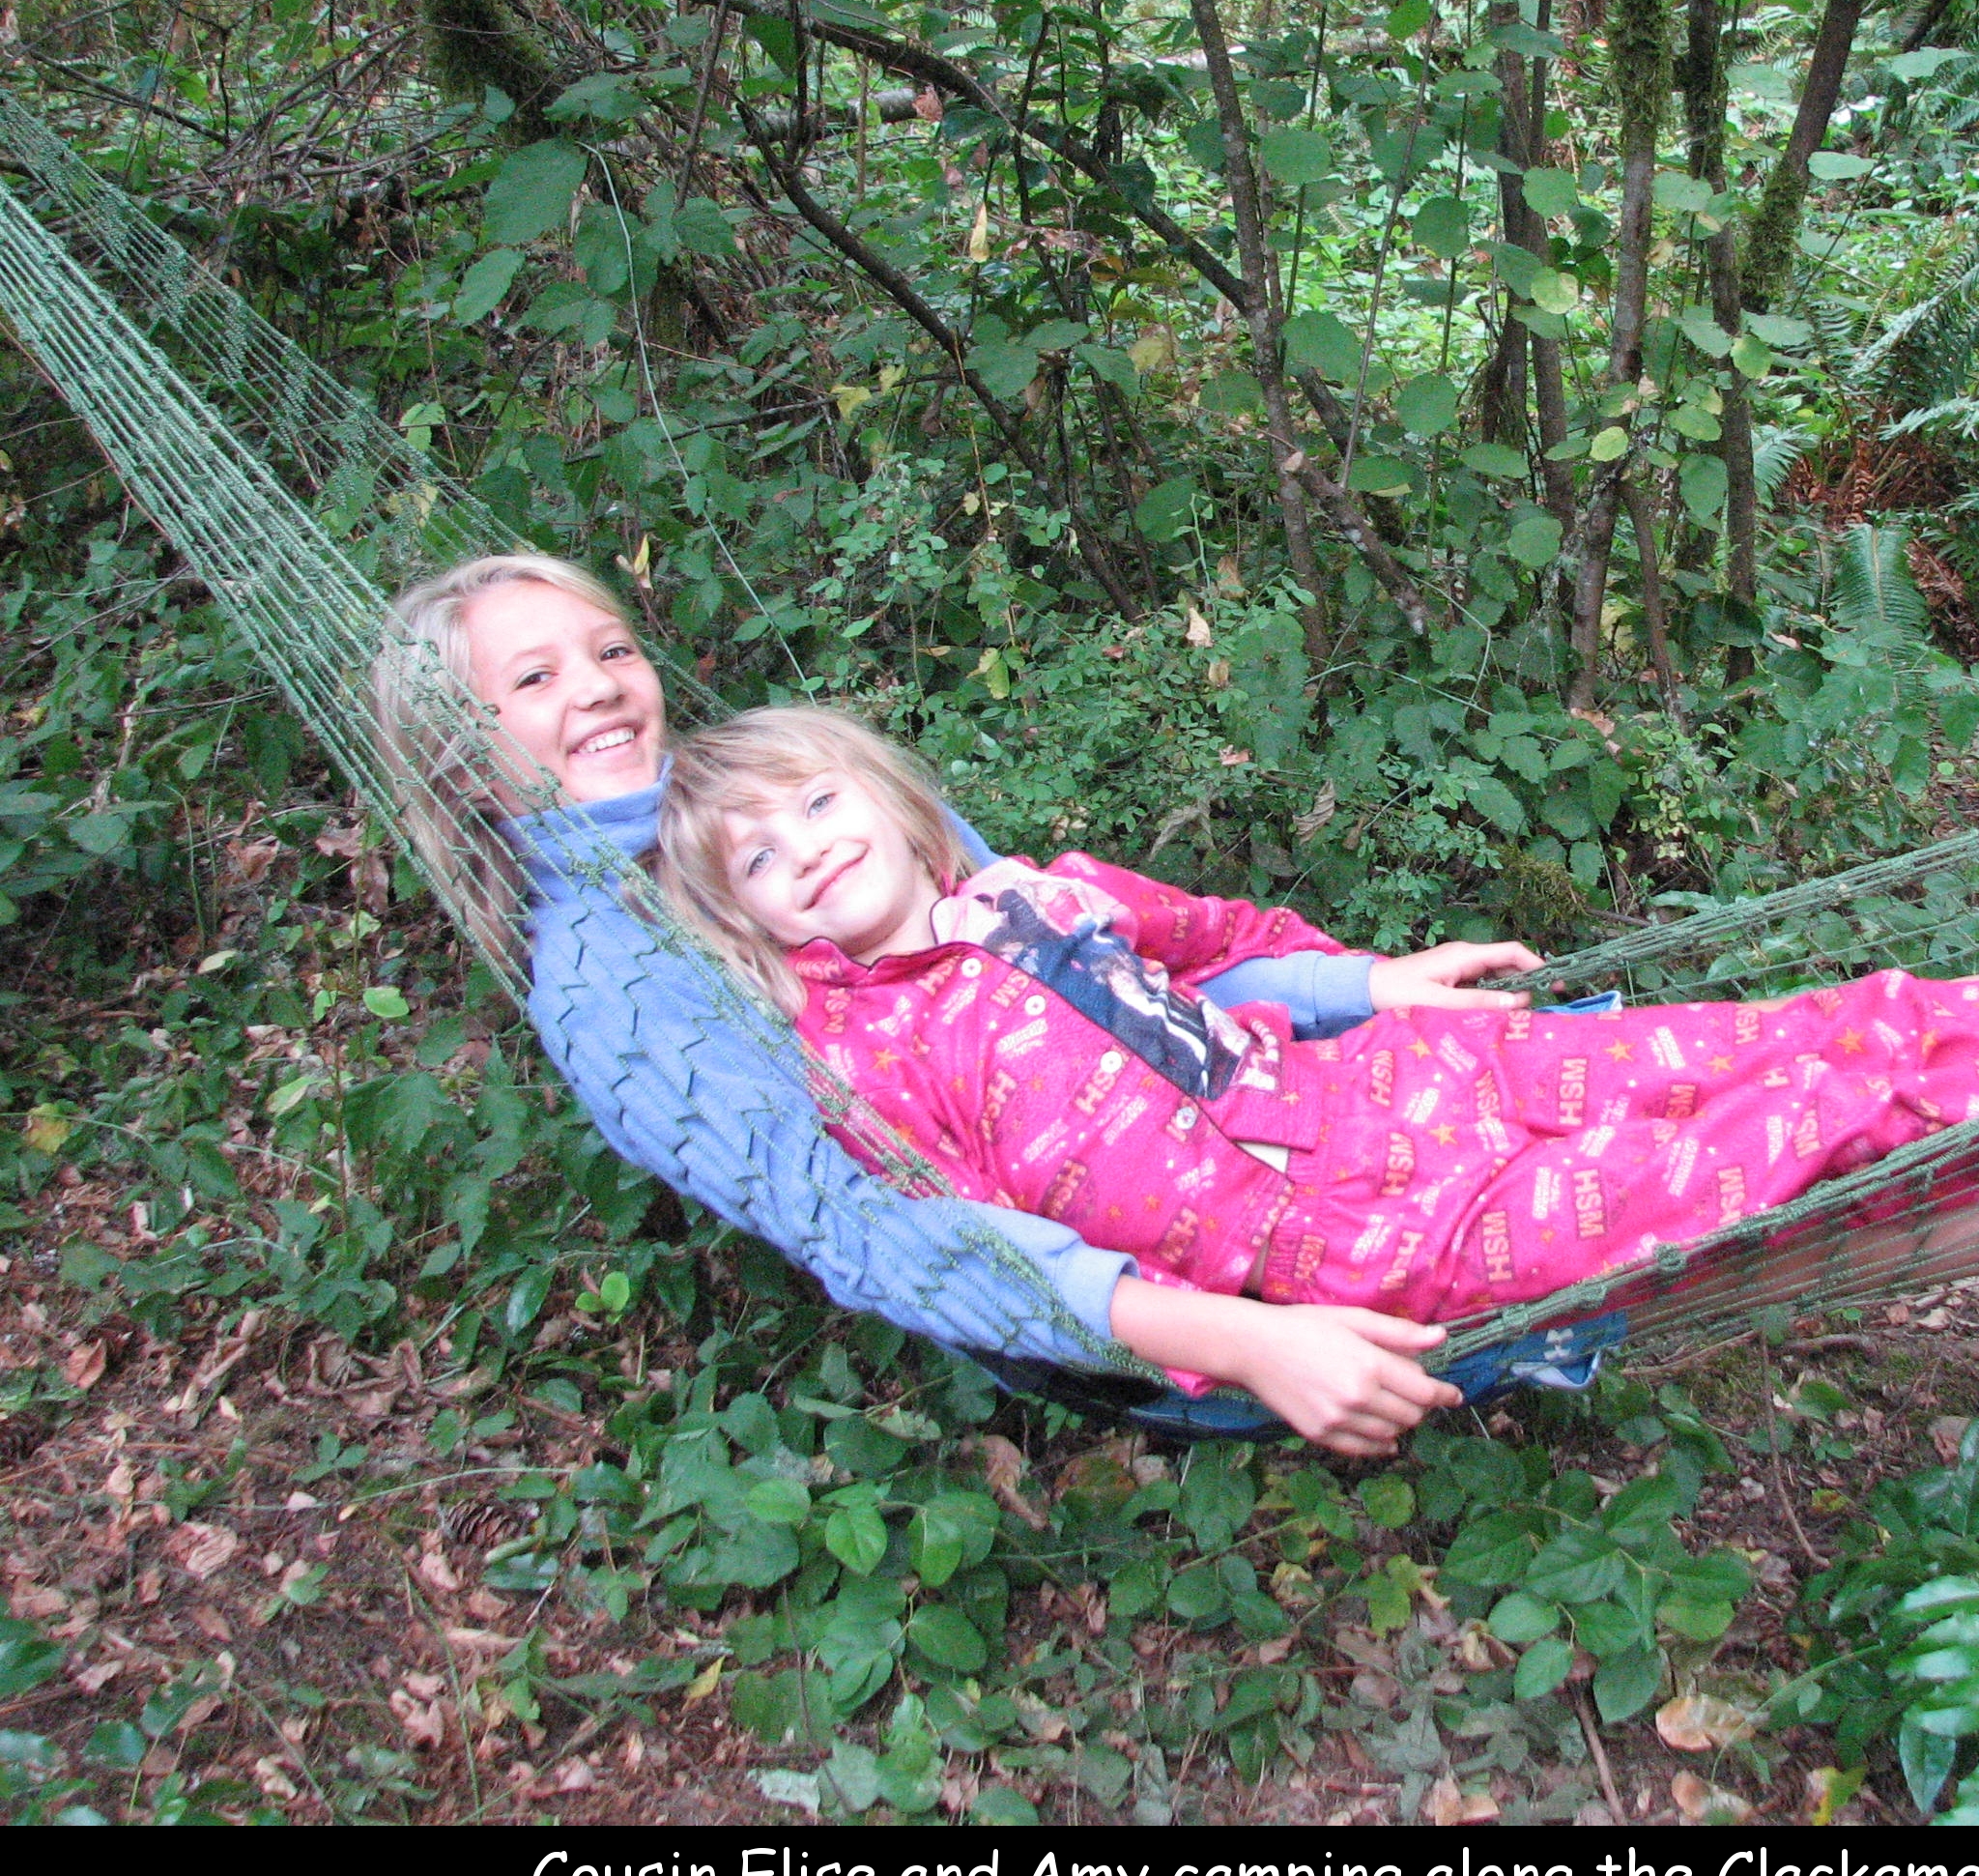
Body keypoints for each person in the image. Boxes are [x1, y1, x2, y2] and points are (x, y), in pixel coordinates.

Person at [650, 703, 1979, 1406]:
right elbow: (986, 1258)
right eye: (754, 859)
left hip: (1413, 1089)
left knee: (1836, 1022)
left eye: (812, 802)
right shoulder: (863, 1061)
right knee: (1827, 1125)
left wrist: (1379, 979)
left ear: (884, 793)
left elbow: (1225, 946)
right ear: (753, 925)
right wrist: (1227, 1348)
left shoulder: (1043, 890)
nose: (801, 848)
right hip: (1387, 1246)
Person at [372, 554, 1541, 1454]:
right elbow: (867, 1231)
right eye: (534, 678)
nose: (599, 686)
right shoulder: (616, 990)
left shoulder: (776, 800)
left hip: (1266, 1131)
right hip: (1167, 1295)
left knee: (1567, 1060)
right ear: (458, 756)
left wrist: (1359, 987)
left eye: (612, 648)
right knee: (1574, 1201)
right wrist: (1238, 1339)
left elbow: (1096, 985)